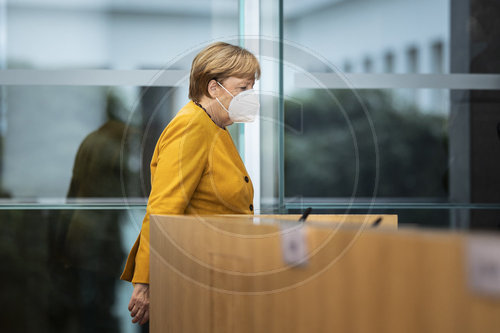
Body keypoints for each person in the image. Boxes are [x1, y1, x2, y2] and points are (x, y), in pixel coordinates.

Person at [120, 41, 261, 325]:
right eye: (243, 88)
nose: (251, 96)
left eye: (252, 88)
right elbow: (163, 209)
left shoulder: (214, 127)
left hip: (218, 274)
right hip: (196, 279)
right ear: (213, 88)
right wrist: (145, 282)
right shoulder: (191, 127)